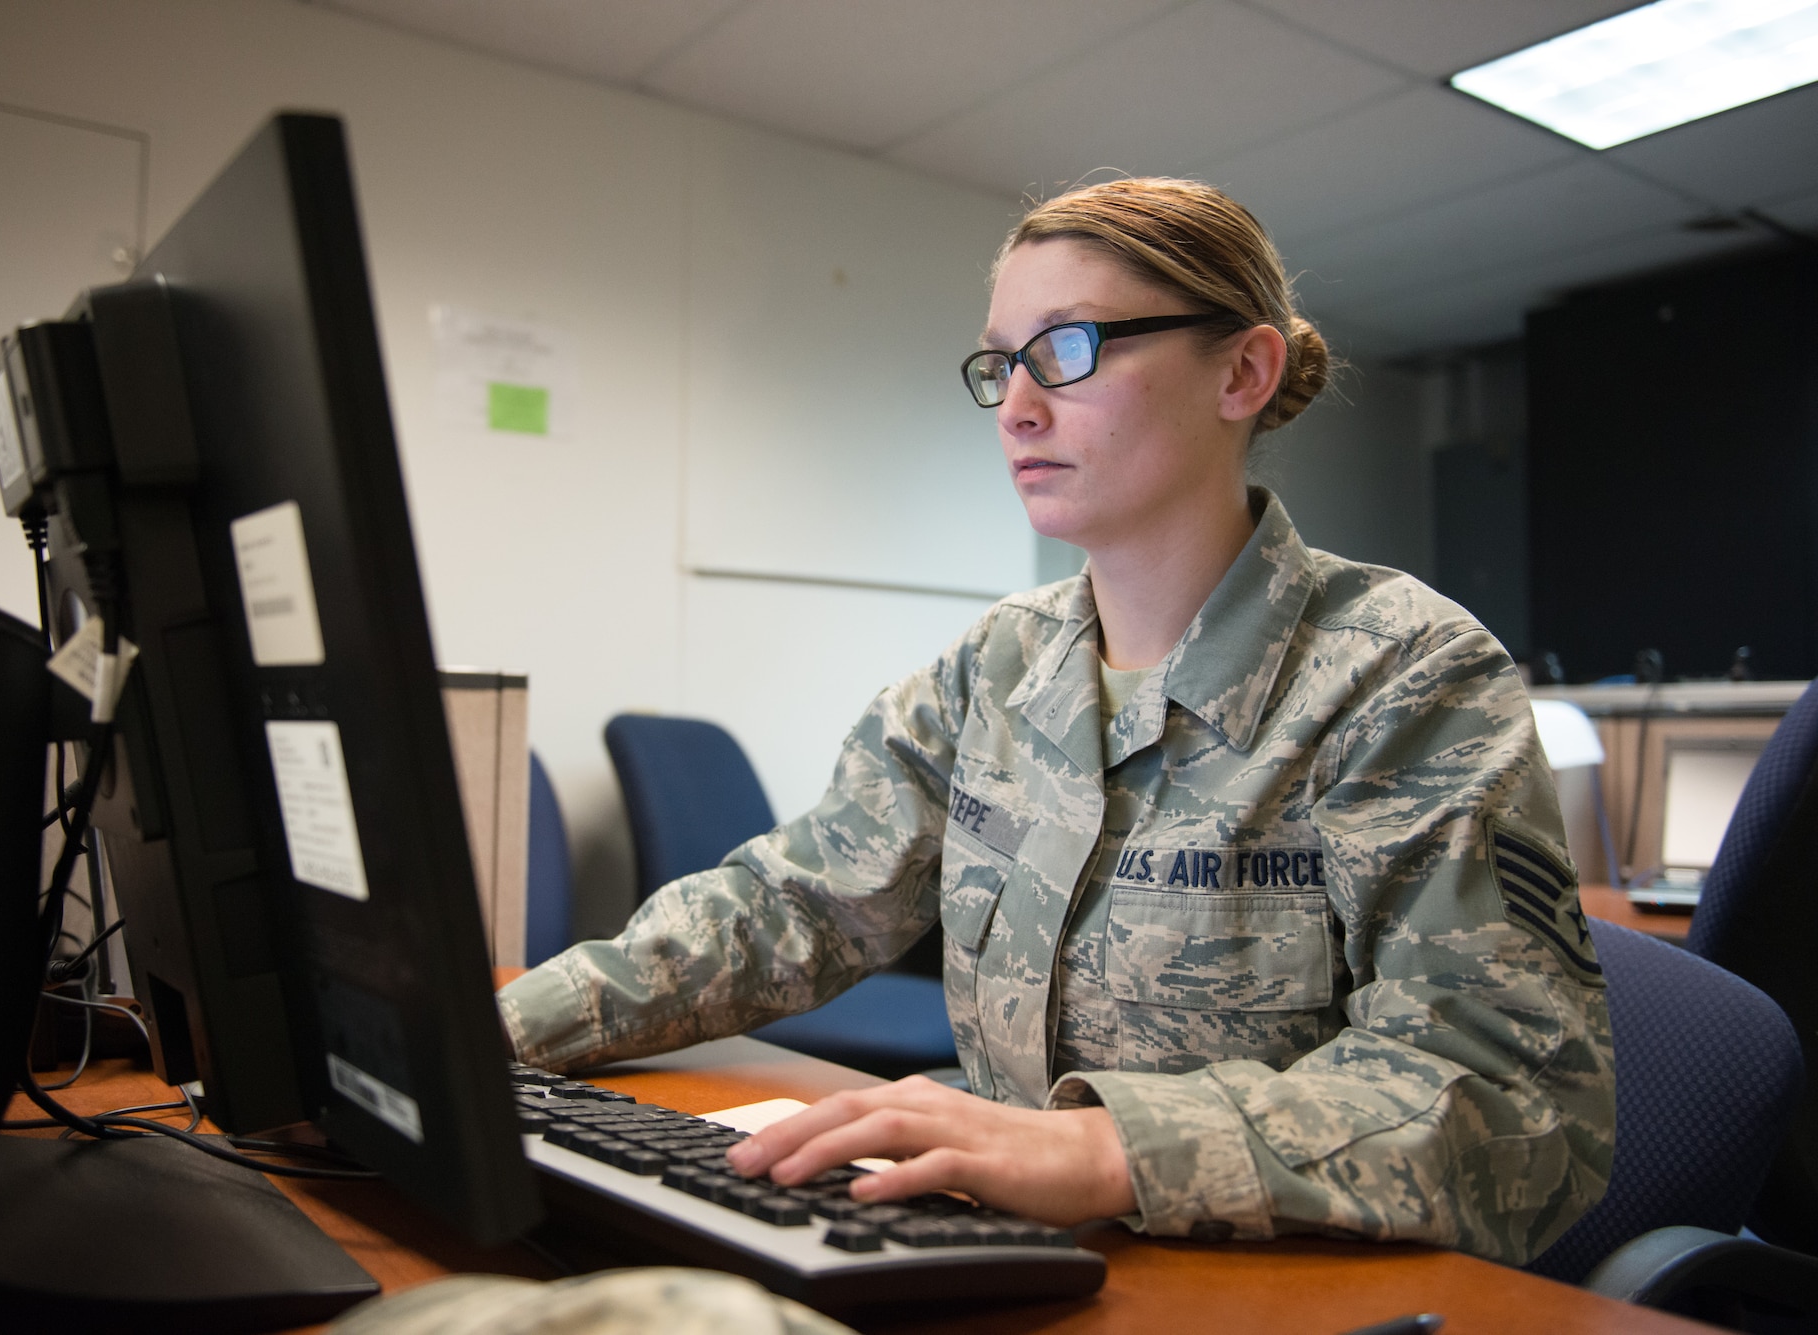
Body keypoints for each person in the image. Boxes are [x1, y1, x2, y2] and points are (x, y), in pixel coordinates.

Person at [496, 178, 1614, 1264]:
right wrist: (486, 1029)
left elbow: (1510, 1107)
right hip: (1010, 1258)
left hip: (1257, 1287)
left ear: (1241, 370)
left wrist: (1105, 1149)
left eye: (1068, 349)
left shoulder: (1404, 679)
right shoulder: (998, 665)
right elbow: (787, 907)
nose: (1018, 407)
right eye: (1001, 364)